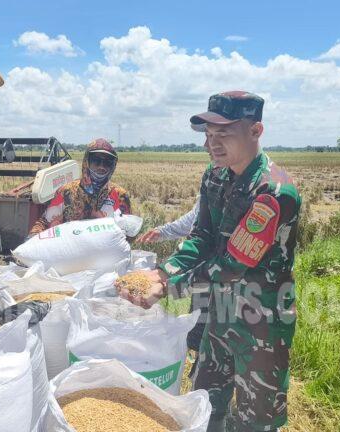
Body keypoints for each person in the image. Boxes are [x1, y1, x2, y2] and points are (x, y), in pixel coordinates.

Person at [118, 91, 301, 432]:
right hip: (221, 310)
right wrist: (162, 271)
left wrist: (168, 287)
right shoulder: (215, 176)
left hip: (261, 320)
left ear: (255, 131)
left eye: (223, 134)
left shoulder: (273, 192)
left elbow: (232, 265)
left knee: (254, 420)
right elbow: (202, 237)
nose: (211, 144)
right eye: (208, 134)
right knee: (204, 401)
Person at [29, 138, 131, 235]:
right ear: (87, 162)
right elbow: (44, 223)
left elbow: (129, 230)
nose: (101, 167)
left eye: (107, 163)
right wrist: (32, 238)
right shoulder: (66, 192)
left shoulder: (120, 196)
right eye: (96, 161)